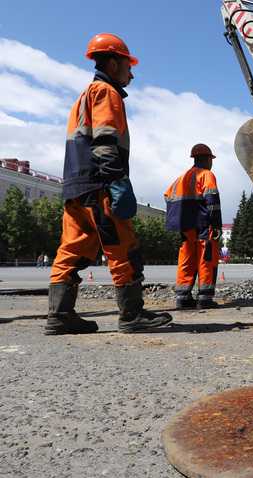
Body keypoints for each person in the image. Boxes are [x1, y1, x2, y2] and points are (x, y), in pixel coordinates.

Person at [46, 34, 172, 335]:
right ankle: (132, 315)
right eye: (128, 66)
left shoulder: (83, 96)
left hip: (76, 186)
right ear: (114, 63)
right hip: (100, 185)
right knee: (123, 248)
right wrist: (116, 181)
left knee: (72, 250)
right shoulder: (106, 92)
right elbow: (104, 140)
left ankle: (59, 316)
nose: (132, 73)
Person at [164, 144, 223, 310]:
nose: (211, 163)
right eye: (211, 160)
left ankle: (183, 297)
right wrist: (216, 225)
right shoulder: (207, 175)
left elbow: (168, 196)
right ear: (206, 159)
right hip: (204, 224)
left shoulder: (182, 177)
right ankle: (205, 298)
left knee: (186, 259)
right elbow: (212, 203)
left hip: (186, 226)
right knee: (207, 258)